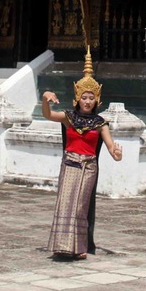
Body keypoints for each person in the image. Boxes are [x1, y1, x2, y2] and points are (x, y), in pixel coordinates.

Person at [42, 48, 123, 259]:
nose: (87, 101)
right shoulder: (68, 117)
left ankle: (79, 248)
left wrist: (117, 153)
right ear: (77, 97)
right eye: (84, 97)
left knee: (80, 206)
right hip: (70, 163)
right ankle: (61, 245)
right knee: (65, 203)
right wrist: (45, 98)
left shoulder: (100, 123)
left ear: (97, 100)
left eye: (91, 98)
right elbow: (48, 114)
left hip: (88, 166)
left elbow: (112, 148)